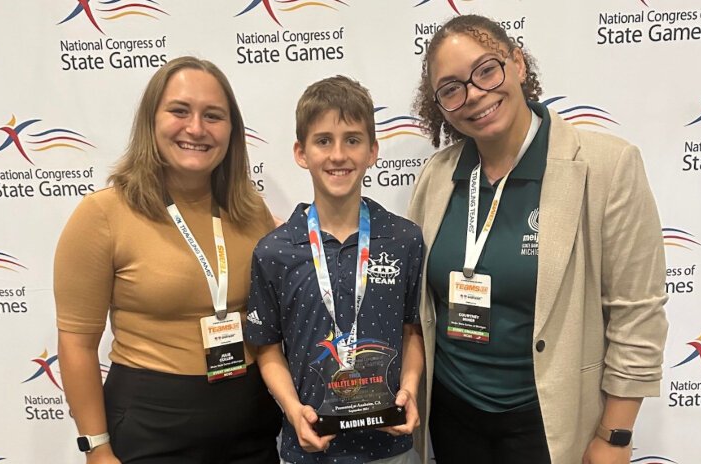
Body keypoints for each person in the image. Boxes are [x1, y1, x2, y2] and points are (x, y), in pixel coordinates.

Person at [407, 14, 668, 464]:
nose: (475, 94)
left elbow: (638, 315)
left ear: (518, 64)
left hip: (547, 421)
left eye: (487, 69)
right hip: (453, 414)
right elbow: (420, 304)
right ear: (441, 107)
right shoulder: (438, 177)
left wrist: (615, 435)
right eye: (452, 89)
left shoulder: (606, 166)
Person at [54, 56, 282, 464]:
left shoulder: (253, 212)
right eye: (180, 111)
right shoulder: (103, 215)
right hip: (151, 427)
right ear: (151, 120)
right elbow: (76, 344)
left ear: (232, 131)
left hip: (250, 425)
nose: (196, 128)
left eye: (213, 116)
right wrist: (97, 447)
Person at [245, 76, 425, 464]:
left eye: (353, 140)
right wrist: (294, 410)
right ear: (301, 152)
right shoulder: (275, 250)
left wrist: (408, 389)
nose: (338, 155)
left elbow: (414, 331)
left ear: (373, 151)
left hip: (389, 446)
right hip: (310, 449)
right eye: (323, 140)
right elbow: (267, 347)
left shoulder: (403, 238)